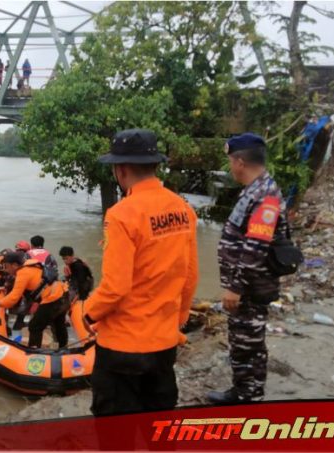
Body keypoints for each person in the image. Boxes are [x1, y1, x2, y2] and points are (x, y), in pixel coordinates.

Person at [83, 129, 198, 446]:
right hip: (162, 346)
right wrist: (176, 321)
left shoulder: (121, 215)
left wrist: (86, 313)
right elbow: (189, 276)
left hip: (122, 349)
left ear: (120, 170)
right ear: (154, 165)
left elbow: (115, 287)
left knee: (116, 437)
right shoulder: (183, 210)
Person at [207, 133, 288, 404]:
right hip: (248, 285)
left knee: (247, 344)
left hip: (250, 287)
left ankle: (248, 398)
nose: (231, 167)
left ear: (240, 162)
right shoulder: (256, 190)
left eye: (231, 161)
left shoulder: (265, 195)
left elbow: (255, 248)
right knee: (246, 342)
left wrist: (235, 287)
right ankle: (244, 391)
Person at [0, 252, 67, 349]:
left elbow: (13, 299)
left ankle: (34, 352)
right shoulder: (31, 266)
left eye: (7, 266)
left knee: (34, 326)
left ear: (14, 265)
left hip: (53, 299)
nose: (6, 270)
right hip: (63, 294)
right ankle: (63, 347)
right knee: (59, 323)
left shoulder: (22, 273)